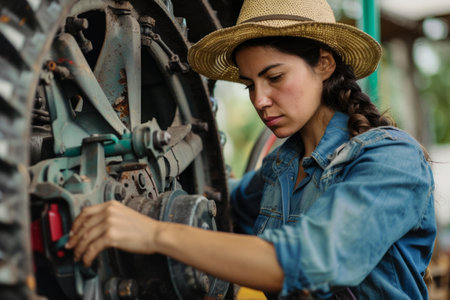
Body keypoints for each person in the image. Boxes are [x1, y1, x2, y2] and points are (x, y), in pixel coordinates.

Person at [65, 0, 437, 298]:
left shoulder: (393, 160)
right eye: (249, 85)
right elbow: (216, 205)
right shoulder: (280, 168)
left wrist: (152, 232)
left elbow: (314, 259)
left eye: (274, 78)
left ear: (324, 63)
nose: (260, 100)